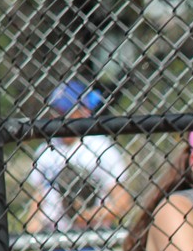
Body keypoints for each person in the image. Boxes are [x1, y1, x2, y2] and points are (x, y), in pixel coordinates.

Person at [24, 81, 133, 233]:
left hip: (93, 234)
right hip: (51, 235)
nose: (57, 116)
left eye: (65, 111)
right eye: (55, 110)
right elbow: (38, 199)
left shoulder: (100, 147)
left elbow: (123, 202)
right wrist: (30, 235)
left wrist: (88, 216)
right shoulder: (45, 150)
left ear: (84, 111)